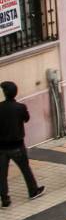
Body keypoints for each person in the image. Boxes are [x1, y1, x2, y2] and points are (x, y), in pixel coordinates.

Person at [0, 81, 44, 209]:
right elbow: (26, 119)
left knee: (2, 173)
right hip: (17, 146)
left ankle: (4, 198)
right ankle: (33, 191)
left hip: (1, 147)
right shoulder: (20, 107)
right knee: (25, 169)